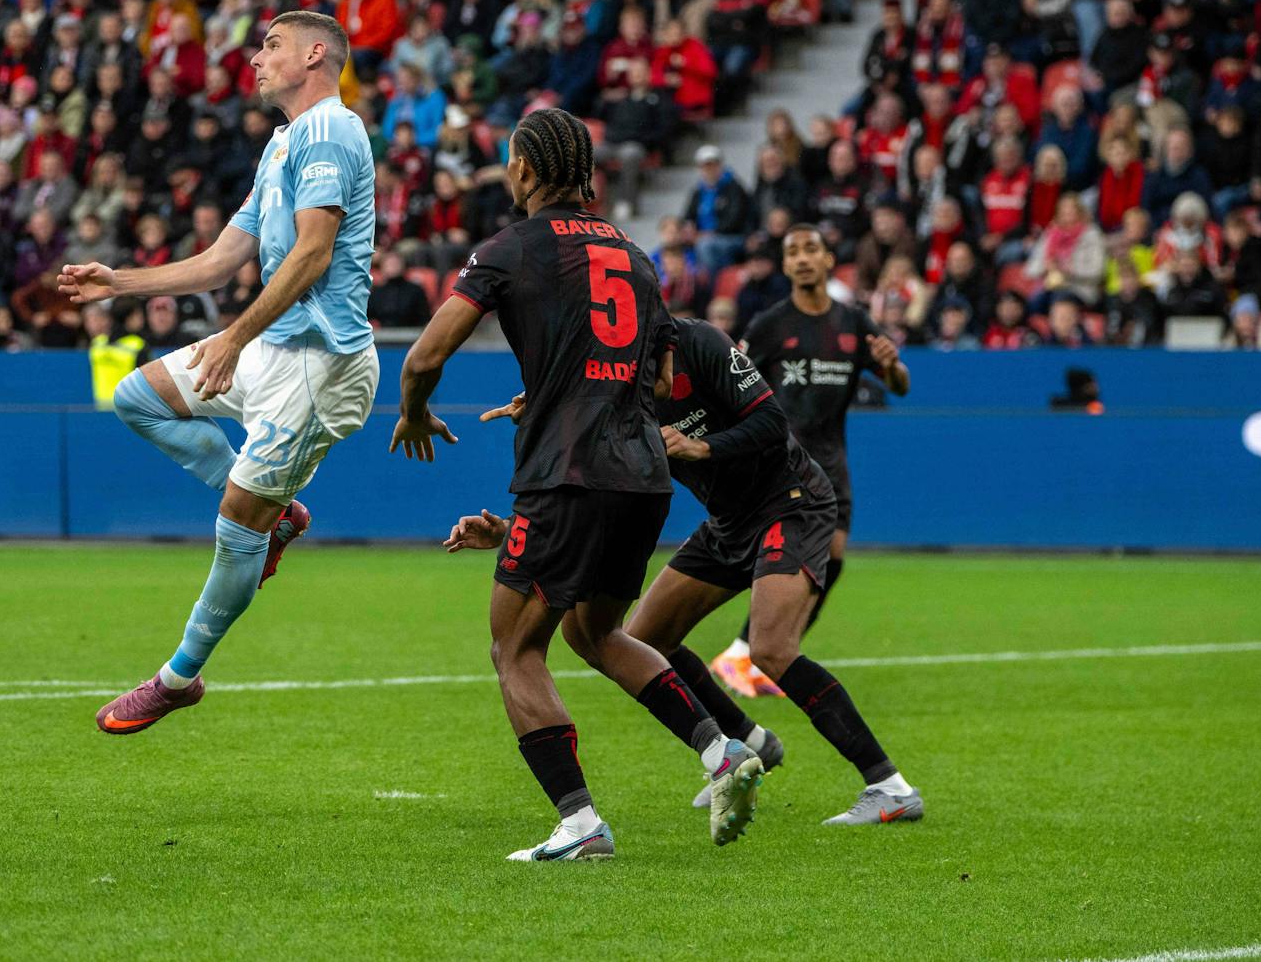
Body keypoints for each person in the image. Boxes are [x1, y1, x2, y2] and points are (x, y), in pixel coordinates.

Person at [392, 108, 765, 862]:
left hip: (567, 471)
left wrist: (415, 410)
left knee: (514, 646)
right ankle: (720, 749)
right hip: (643, 475)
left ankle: (578, 821)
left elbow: (424, 355)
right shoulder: (634, 254)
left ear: (526, 171)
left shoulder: (510, 248)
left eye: (509, 161)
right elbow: (660, 375)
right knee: (594, 630)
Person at [59, 12, 381, 735]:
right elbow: (222, 258)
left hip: (317, 366)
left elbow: (312, 254)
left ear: (316, 53)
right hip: (272, 346)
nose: (257, 57)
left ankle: (178, 676)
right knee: (137, 397)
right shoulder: (282, 144)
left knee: (234, 523)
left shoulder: (331, 128)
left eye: (272, 44)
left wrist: (234, 336)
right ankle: (277, 516)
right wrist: (121, 283)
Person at [614, 311, 925, 825]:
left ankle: (889, 786)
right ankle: (751, 744)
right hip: (727, 522)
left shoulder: (702, 344)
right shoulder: (612, 373)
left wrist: (702, 446)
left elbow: (772, 421)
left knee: (771, 649)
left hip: (790, 501)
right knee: (643, 639)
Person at [712, 225, 912, 698]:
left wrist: (891, 365)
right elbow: (731, 382)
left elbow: (900, 384)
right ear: (785, 266)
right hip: (784, 464)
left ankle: (772, 650)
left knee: (833, 560)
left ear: (827, 261)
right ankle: (744, 652)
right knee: (786, 560)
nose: (802, 259)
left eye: (811, 250)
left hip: (833, 461)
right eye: (793, 252)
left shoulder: (854, 323)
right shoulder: (769, 325)